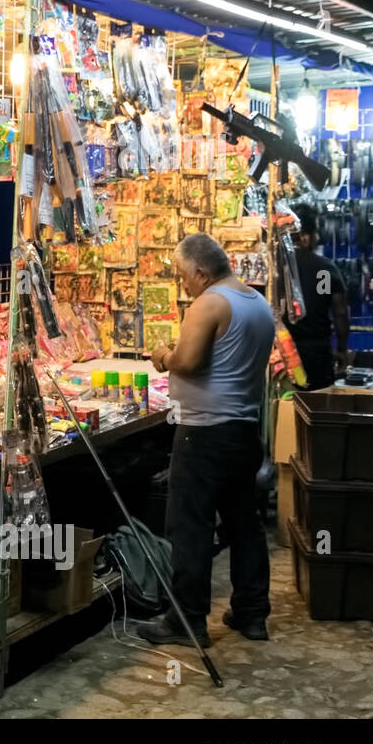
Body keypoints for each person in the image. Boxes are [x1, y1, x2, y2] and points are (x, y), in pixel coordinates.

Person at [141, 233, 276, 645]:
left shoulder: (210, 303)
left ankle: (186, 621)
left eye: (183, 276)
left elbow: (190, 363)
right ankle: (252, 615)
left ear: (201, 272)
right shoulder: (256, 302)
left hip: (203, 434)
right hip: (242, 431)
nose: (182, 284)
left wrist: (162, 356)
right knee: (243, 523)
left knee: (191, 527)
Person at [285, 204, 349, 389]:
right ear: (305, 237)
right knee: (316, 406)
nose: (318, 239)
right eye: (316, 234)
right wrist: (342, 350)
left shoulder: (276, 268)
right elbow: (339, 313)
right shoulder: (323, 270)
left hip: (280, 354)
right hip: (316, 353)